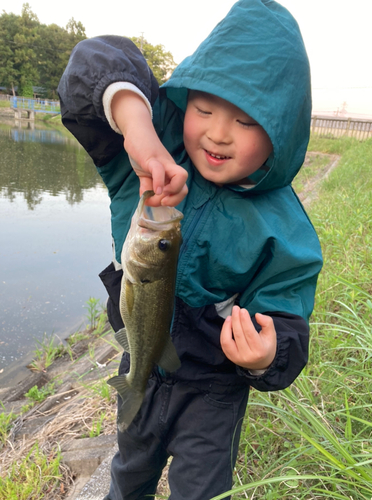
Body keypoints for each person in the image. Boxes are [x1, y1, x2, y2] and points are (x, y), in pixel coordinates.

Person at [57, 0, 323, 498]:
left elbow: (288, 319)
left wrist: (269, 354)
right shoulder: (149, 153)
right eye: (203, 109)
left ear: (282, 131)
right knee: (128, 474)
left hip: (214, 391)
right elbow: (94, 63)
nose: (218, 132)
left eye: (246, 122)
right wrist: (137, 127)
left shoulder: (285, 231)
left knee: (200, 491)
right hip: (141, 363)